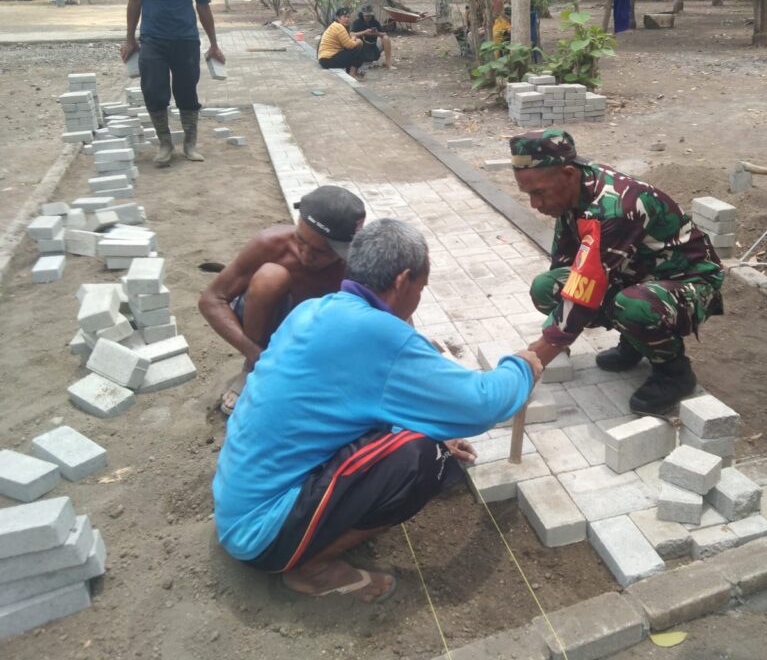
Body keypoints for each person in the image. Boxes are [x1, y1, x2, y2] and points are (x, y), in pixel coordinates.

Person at [212, 219, 542, 599]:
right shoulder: (379, 336)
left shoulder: (315, 310)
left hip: (236, 501)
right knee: (422, 457)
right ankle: (311, 567)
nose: (419, 297)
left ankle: (309, 539)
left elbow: (359, 400)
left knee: (420, 435)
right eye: (421, 287)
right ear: (403, 281)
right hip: (261, 536)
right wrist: (522, 366)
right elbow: (483, 404)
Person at [510, 129, 724, 416]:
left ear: (569, 174)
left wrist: (532, 362)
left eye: (539, 193)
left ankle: (674, 372)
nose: (535, 205)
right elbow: (566, 269)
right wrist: (552, 338)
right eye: (528, 195)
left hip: (690, 282)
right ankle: (634, 344)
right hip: (636, 274)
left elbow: (583, 295)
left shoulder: (617, 209)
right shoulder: (572, 193)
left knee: (632, 306)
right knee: (546, 287)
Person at [198, 186, 366, 415]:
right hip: (267, 324)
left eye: (321, 252)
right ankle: (251, 369)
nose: (306, 254)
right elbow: (212, 299)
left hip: (315, 330)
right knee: (271, 277)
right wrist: (257, 355)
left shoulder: (356, 264)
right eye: (300, 241)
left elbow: (394, 313)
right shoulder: (271, 243)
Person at [121, 0, 225, 168]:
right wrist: (130, 38)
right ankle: (165, 143)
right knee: (154, 90)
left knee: (187, 91)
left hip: (186, 39)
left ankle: (190, 144)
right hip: (153, 37)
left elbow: (203, 7)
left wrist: (214, 44)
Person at [317, 7, 374, 77]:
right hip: (328, 59)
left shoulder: (336, 25)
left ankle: (351, 72)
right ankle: (353, 73)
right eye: (344, 17)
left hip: (325, 59)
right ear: (338, 18)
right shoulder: (339, 27)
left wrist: (353, 39)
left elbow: (346, 41)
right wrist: (358, 42)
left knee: (352, 50)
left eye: (348, 17)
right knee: (358, 50)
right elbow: (349, 45)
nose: (347, 19)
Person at [351, 4, 394, 70]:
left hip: (374, 47)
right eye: (366, 16)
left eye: (369, 16)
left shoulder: (375, 22)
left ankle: (388, 63)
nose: (368, 18)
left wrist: (377, 33)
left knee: (386, 38)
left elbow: (384, 34)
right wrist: (364, 32)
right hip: (362, 47)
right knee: (354, 39)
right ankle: (355, 63)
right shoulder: (357, 22)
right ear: (362, 14)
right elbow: (351, 34)